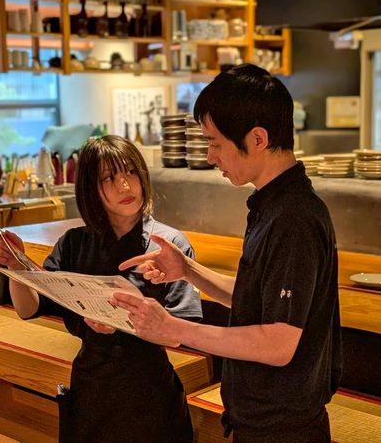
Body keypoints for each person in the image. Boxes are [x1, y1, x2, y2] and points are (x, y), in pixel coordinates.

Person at [111, 64, 342, 443]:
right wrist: (187, 270)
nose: (209, 155)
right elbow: (260, 301)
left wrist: (172, 328)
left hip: (283, 430)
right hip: (259, 421)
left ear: (257, 138)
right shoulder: (271, 204)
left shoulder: (294, 218)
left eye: (215, 142)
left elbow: (278, 343)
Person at [0, 135, 202, 443]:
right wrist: (16, 266)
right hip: (91, 391)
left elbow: (179, 332)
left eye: (131, 172)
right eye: (109, 178)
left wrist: (125, 320)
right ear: (90, 188)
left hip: (149, 393)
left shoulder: (168, 245)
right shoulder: (74, 243)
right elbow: (29, 307)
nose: (125, 186)